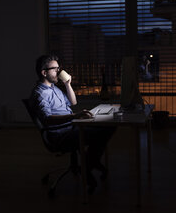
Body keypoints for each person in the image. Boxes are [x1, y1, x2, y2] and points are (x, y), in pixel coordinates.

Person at [30, 55, 114, 193]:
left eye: (59, 68)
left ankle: (88, 164)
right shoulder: (40, 94)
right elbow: (47, 119)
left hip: (73, 126)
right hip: (60, 134)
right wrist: (75, 116)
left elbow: (73, 103)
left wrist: (68, 84)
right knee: (101, 134)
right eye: (55, 69)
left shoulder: (54, 88)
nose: (58, 71)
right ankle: (87, 168)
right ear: (44, 73)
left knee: (108, 126)